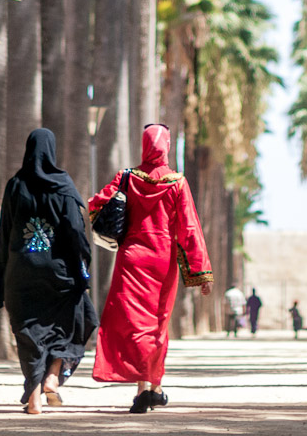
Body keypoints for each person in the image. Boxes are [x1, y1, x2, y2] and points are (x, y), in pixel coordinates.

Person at [89, 124, 212, 414]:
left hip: (131, 258)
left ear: (145, 144)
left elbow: (97, 204)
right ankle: (151, 388)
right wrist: (200, 273)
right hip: (162, 261)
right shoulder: (177, 182)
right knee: (157, 325)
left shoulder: (127, 177)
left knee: (133, 324)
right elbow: (189, 229)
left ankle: (147, 389)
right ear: (166, 146)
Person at [0, 129, 98, 414]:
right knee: (75, 320)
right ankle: (53, 375)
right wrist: (82, 263)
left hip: (21, 271)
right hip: (58, 273)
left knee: (29, 331)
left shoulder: (15, 185)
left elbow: (4, 232)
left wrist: (0, 274)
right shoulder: (63, 185)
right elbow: (76, 230)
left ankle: (34, 396)